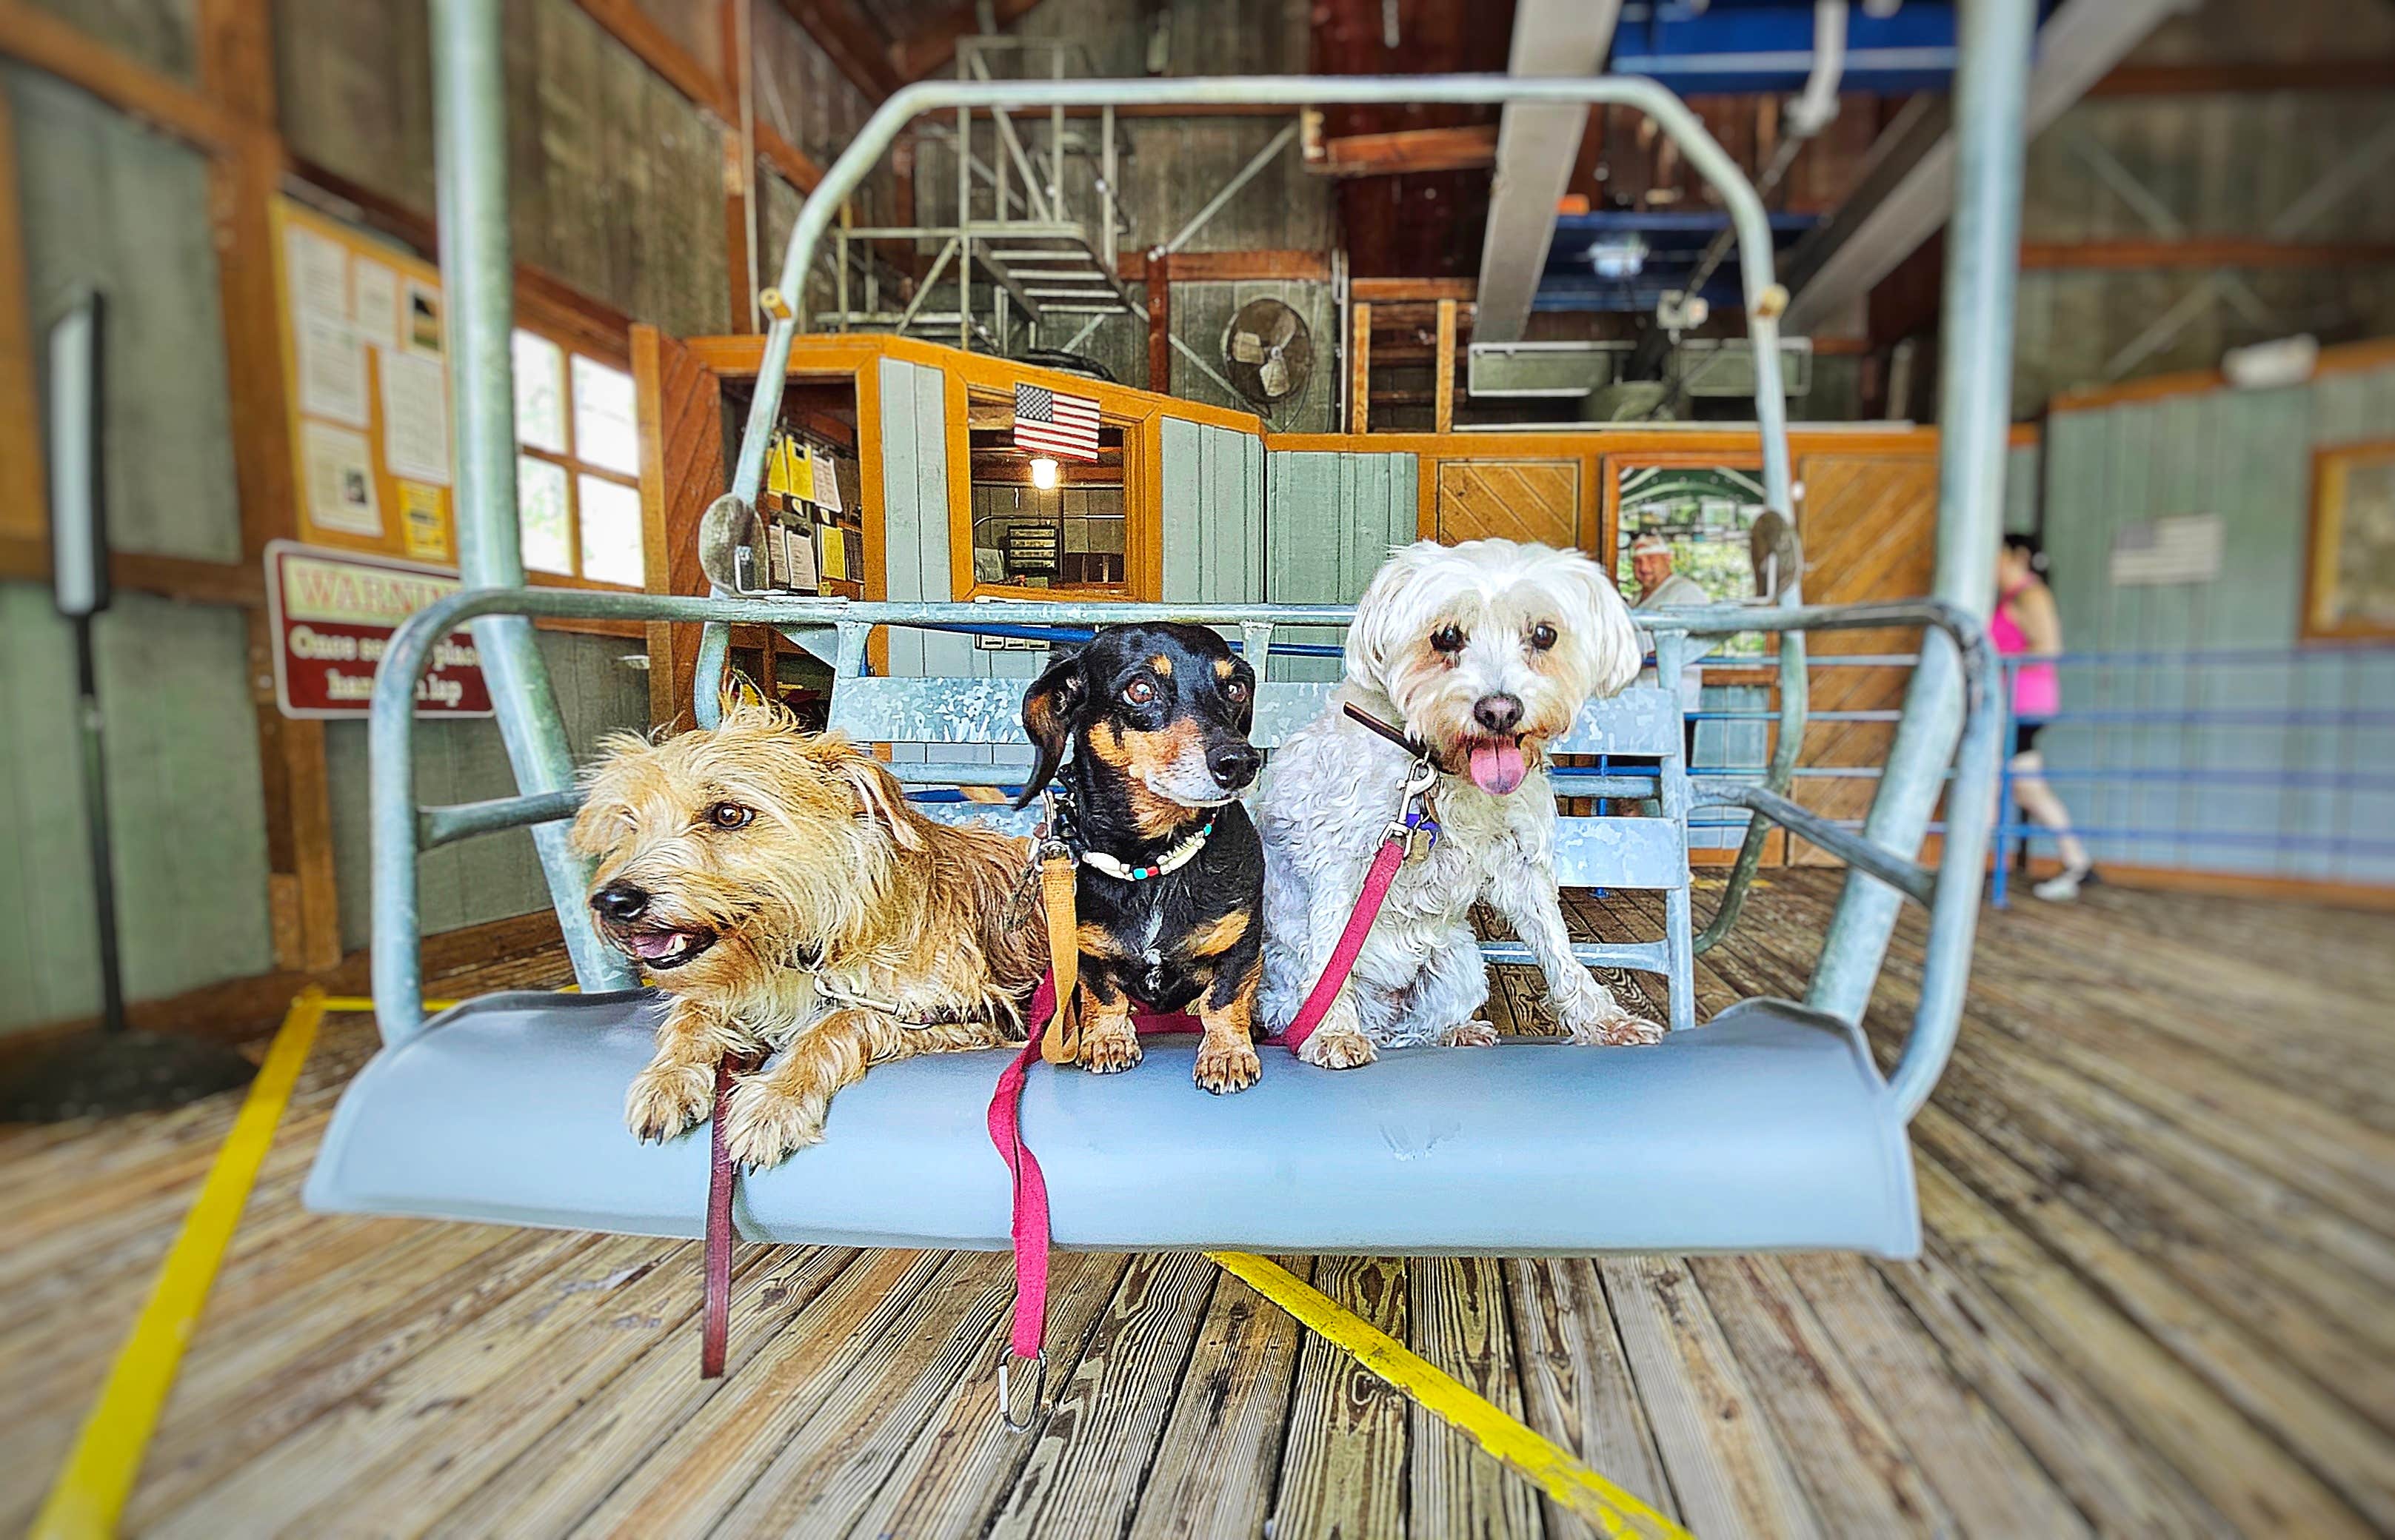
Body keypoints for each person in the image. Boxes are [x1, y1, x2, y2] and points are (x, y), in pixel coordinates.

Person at [1993, 533, 2096, 900]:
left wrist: (1999, 663)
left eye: (1998, 555)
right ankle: (2076, 860)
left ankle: (1965, 870)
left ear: (2018, 557)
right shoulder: (2011, 597)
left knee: (1996, 783)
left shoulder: (2031, 595)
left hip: (2024, 703)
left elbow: (2049, 649)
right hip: (2011, 703)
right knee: (2026, 787)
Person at [1626, 532, 1713, 769]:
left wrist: (1647, 661)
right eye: (1637, 561)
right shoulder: (1635, 600)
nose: (1643, 567)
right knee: (1629, 776)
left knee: (1660, 779)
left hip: (1673, 705)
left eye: (1651, 559)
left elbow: (1701, 639)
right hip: (1634, 704)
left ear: (1667, 559)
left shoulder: (1686, 592)